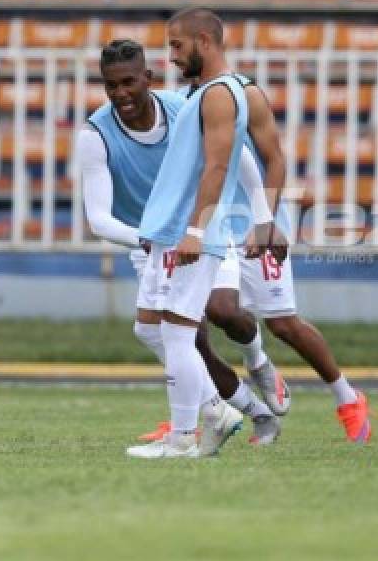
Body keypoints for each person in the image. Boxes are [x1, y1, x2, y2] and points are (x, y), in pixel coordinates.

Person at [77, 39, 282, 446]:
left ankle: (256, 360)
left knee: (220, 310)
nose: (120, 94)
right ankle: (239, 411)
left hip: (202, 228)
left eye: (128, 83)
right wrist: (146, 239)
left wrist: (263, 218)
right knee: (171, 337)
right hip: (149, 242)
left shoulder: (185, 109)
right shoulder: (95, 133)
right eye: (110, 86)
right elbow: (98, 219)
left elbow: (239, 158)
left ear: (148, 79)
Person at [126, 7, 275, 460]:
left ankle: (184, 437)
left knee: (177, 334)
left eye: (177, 45)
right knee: (156, 328)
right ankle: (211, 417)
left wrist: (194, 229)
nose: (170, 56)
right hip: (171, 229)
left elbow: (218, 165)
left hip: (186, 233)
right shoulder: (213, 92)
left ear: (204, 43)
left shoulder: (218, 95)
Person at [210, 71, 372, 444]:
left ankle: (349, 399)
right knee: (192, 321)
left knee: (283, 324)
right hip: (210, 224)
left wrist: (267, 219)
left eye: (178, 46)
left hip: (253, 220)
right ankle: (196, 417)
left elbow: (273, 158)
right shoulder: (182, 101)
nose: (172, 56)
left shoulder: (244, 94)